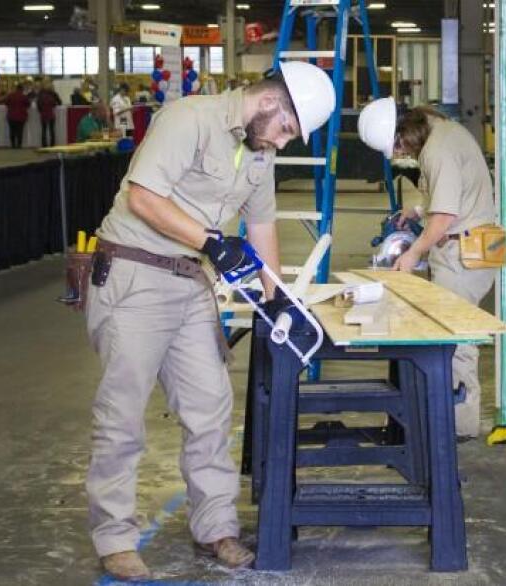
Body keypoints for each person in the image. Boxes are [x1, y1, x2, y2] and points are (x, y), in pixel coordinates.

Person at [85, 61, 334, 581]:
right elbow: (143, 196)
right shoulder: (188, 119)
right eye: (287, 130)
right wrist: (212, 242)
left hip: (190, 281)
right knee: (123, 413)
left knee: (210, 407)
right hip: (135, 273)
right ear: (270, 103)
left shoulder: (260, 152)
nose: (284, 143)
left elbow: (261, 224)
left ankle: (215, 527)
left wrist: (277, 296)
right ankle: (115, 537)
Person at [358, 99, 497, 440]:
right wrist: (418, 211)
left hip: (461, 251)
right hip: (465, 244)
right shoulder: (445, 134)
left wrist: (412, 254)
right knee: (448, 336)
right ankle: (444, 419)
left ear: (404, 132)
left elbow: (446, 217)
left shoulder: (437, 151)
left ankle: (458, 429)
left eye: (398, 146)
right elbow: (450, 193)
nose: (400, 152)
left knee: (455, 340)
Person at [36, 78, 62, 147]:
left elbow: (38, 105)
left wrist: (41, 111)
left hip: (43, 114)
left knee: (44, 130)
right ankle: (52, 144)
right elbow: (58, 102)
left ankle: (44, 144)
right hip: (51, 114)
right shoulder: (52, 94)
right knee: (51, 130)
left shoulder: (40, 94)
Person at [3, 83, 31, 149]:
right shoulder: (24, 96)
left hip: (11, 116)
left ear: (16, 88)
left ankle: (13, 145)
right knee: (20, 131)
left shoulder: (10, 95)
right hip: (21, 116)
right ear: (22, 89)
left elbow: (6, 103)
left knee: (12, 131)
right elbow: (28, 104)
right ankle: (19, 145)